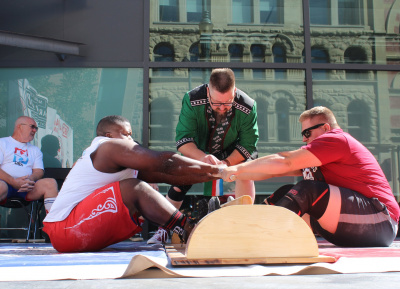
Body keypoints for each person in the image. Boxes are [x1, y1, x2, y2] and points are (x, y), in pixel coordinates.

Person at [221, 106, 400, 247]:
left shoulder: (337, 139)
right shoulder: (320, 157)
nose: (304, 140)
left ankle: (260, 238)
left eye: (307, 133)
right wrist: (237, 172)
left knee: (308, 190)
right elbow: (273, 170)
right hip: (359, 223)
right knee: (288, 192)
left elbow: (286, 161)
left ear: (326, 128)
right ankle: (245, 230)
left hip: (382, 221)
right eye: (303, 135)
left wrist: (238, 168)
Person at [42, 115, 223, 253]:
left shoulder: (118, 162)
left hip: (73, 231)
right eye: (126, 134)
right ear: (109, 135)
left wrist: (217, 174)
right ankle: (187, 229)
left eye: (131, 134)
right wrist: (214, 169)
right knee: (133, 188)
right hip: (64, 229)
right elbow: (164, 162)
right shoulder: (107, 147)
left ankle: (185, 228)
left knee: (141, 188)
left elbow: (168, 174)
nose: (131, 139)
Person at [147, 68, 259, 244]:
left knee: (245, 172)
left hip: (233, 151)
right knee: (180, 180)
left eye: (228, 103)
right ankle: (164, 229)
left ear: (235, 91)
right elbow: (183, 140)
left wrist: (227, 163)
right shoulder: (191, 99)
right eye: (216, 103)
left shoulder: (248, 105)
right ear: (208, 91)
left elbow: (248, 144)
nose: (222, 108)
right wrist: (202, 157)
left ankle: (243, 227)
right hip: (198, 149)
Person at [0, 116, 58, 214]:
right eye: (32, 127)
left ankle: (53, 223)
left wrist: (29, 180)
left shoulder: (35, 150)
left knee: (50, 183)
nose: (35, 130)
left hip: (27, 187)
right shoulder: (2, 142)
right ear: (20, 127)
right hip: (5, 184)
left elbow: (39, 171)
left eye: (36, 128)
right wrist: (13, 181)